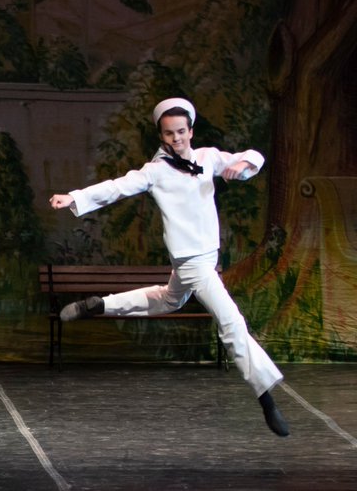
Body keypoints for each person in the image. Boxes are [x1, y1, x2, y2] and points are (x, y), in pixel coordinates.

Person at [49, 97, 288, 436]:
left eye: (181, 132)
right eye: (169, 134)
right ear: (161, 136)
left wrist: (244, 165)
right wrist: (76, 197)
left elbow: (253, 157)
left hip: (206, 258)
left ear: (190, 131)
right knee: (232, 322)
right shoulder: (156, 171)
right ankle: (267, 400)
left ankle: (100, 304)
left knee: (168, 300)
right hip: (192, 262)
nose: (176, 139)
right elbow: (117, 187)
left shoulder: (208, 157)